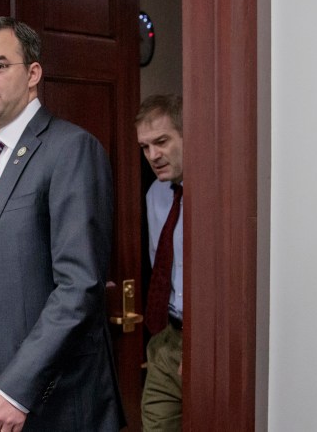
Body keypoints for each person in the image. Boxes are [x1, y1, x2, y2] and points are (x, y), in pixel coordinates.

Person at [0, 16, 125, 431]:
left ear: (33, 74)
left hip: (41, 401)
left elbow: (80, 286)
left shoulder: (71, 150)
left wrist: (15, 388)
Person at [135, 94, 184, 431]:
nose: (153, 155)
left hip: (208, 339)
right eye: (145, 146)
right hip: (167, 337)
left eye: (162, 141)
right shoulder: (156, 195)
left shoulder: (221, 194)